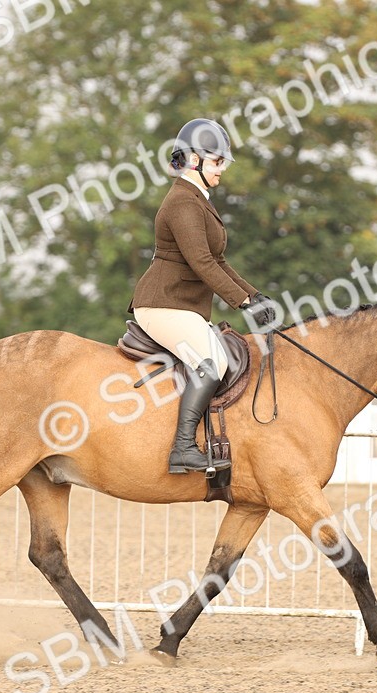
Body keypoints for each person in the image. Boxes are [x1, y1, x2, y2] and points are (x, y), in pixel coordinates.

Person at [129, 118, 275, 474]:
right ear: (194, 160)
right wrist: (243, 302)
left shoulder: (197, 199)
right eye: (217, 161)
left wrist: (255, 296)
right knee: (212, 362)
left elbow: (219, 261)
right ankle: (182, 448)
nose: (222, 169)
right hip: (162, 303)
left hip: (182, 305)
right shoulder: (183, 202)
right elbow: (201, 263)